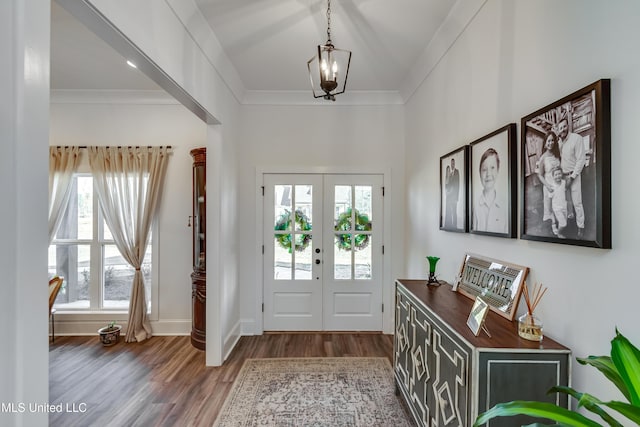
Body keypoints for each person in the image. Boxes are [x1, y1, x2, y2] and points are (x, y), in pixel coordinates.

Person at [557, 117, 586, 239]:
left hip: (573, 176)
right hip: (562, 177)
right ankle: (567, 225)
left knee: (577, 203)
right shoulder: (559, 142)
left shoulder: (576, 139)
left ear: (568, 126)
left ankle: (581, 227)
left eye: (564, 126)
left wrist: (573, 177)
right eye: (560, 128)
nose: (562, 129)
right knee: (564, 203)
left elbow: (581, 160)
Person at [473, 148, 507, 233]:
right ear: (479, 173)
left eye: (492, 168)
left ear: (498, 170)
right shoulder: (474, 205)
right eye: (484, 169)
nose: (488, 174)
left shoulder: (505, 206)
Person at [535, 131, 562, 230]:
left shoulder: (557, 154)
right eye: (548, 141)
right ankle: (554, 223)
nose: (551, 143)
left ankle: (561, 222)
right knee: (551, 206)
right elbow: (540, 175)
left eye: (552, 140)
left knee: (559, 204)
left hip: (558, 183)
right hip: (549, 185)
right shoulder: (542, 158)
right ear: (545, 143)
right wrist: (547, 185)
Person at [549, 166, 568, 238]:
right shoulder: (551, 187)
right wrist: (550, 209)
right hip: (556, 208)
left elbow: (565, 193)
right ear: (553, 176)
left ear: (562, 174)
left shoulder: (563, 182)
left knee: (564, 221)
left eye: (559, 174)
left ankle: (555, 226)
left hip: (564, 206)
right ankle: (559, 234)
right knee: (563, 224)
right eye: (556, 175)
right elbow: (550, 199)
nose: (558, 176)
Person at [445, 158, 460, 228]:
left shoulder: (457, 172)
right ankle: (451, 226)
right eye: (451, 163)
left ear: (455, 164)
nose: (452, 165)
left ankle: (455, 226)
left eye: (453, 163)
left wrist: (457, 198)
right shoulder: (450, 174)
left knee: (454, 212)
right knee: (451, 212)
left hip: (454, 198)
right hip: (450, 197)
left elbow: (458, 185)